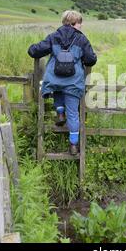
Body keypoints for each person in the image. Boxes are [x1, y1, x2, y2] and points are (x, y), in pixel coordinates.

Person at [27, 10, 97, 155]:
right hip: (73, 81)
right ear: (74, 23)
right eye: (80, 23)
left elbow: (36, 51)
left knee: (56, 86)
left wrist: (31, 48)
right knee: (73, 114)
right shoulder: (81, 39)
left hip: (55, 78)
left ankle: (59, 113)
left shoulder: (54, 36)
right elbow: (91, 59)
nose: (81, 26)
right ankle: (73, 144)